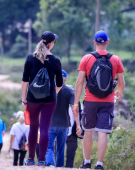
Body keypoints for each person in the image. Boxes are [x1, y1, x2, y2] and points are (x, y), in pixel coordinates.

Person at [74, 30, 125, 170]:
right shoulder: (115, 59)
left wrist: (75, 102)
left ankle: (86, 163)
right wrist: (119, 92)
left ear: (94, 42)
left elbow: (79, 82)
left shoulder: (86, 58)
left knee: (88, 130)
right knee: (103, 131)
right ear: (107, 42)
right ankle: (99, 164)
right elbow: (121, 82)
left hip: (90, 100)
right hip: (107, 101)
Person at [22, 31, 63, 166]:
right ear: (51, 44)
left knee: (33, 127)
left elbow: (25, 81)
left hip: (32, 99)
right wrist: (53, 94)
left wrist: (24, 99)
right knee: (45, 128)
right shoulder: (55, 60)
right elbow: (59, 83)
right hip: (49, 100)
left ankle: (30, 159)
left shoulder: (30, 58)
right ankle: (41, 160)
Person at [45, 70, 81, 167]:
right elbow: (75, 110)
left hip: (50, 123)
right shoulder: (69, 91)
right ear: (65, 80)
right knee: (60, 149)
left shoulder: (48, 89)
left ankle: (50, 164)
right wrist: (78, 125)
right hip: (64, 124)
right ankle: (59, 167)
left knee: (49, 147)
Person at [65, 103, 83, 168]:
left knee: (70, 158)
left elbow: (80, 116)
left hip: (72, 134)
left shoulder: (77, 102)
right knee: (58, 155)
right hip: (60, 133)